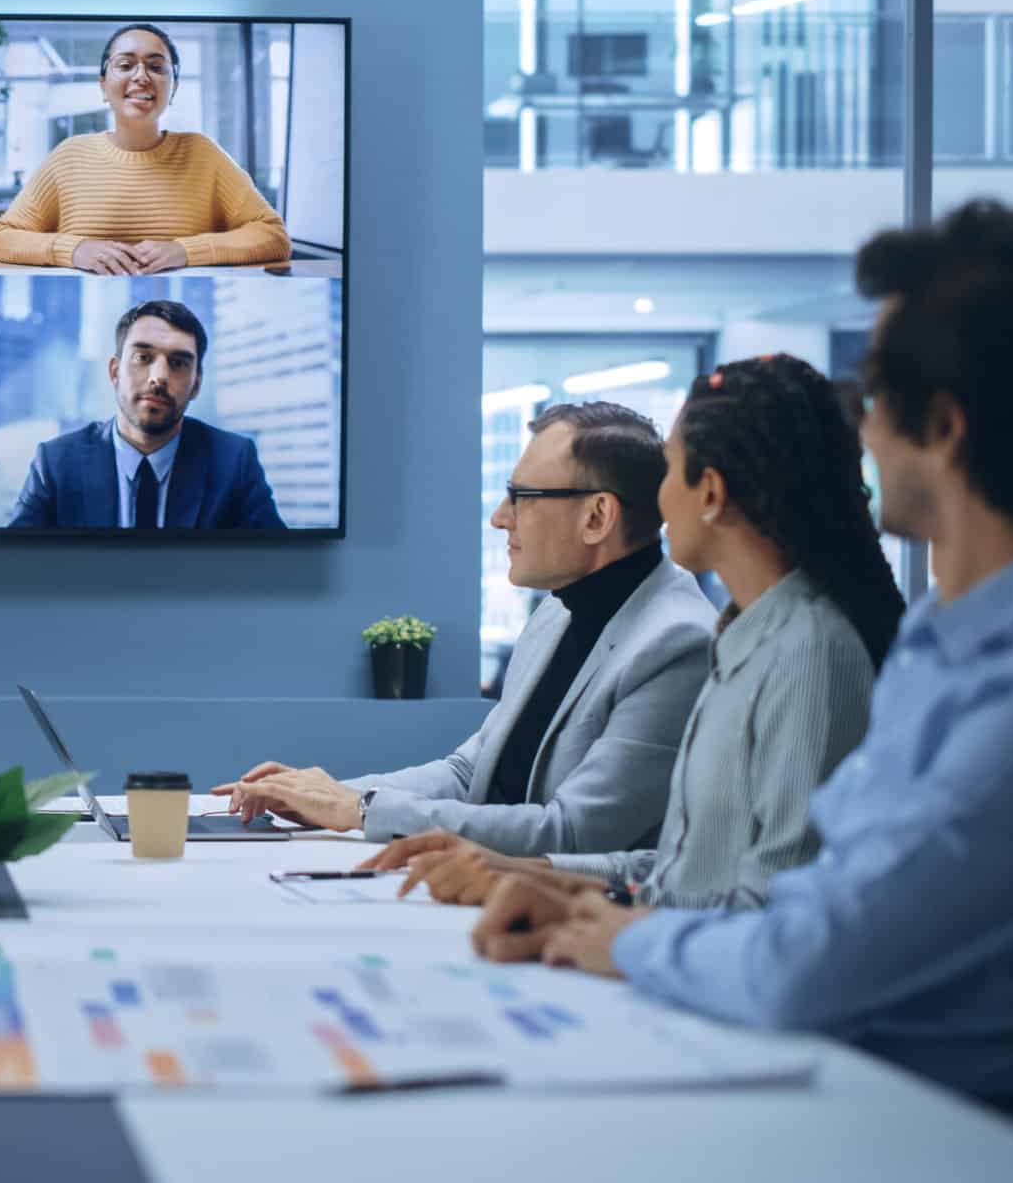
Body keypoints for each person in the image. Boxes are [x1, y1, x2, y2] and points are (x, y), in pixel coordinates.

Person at [469, 202, 1013, 1117]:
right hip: (815, 1086)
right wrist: (587, 904)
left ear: (942, 431)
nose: (858, 434)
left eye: (875, 400)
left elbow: (805, 961)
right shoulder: (953, 653)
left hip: (881, 1127)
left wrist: (620, 940)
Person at [365, 355, 903, 908]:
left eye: (669, 472)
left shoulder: (805, 654)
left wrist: (613, 933)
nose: (656, 501)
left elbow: (773, 907)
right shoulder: (744, 635)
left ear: (711, 493)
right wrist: (533, 874)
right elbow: (679, 869)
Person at [215, 403, 714, 854]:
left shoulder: (677, 643)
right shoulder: (556, 613)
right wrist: (335, 795)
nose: (500, 519)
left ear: (598, 515)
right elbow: (469, 772)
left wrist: (361, 810)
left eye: (521, 497)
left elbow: (573, 833)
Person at [0, 22, 290, 273]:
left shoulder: (203, 154)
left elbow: (273, 236)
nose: (141, 76)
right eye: (126, 65)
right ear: (103, 85)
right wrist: (73, 249)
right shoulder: (69, 156)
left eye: (156, 67)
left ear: (174, 88)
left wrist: (184, 251)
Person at [6, 299, 283, 529]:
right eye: (143, 358)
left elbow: (279, 564)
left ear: (196, 384)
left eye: (178, 363)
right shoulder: (56, 463)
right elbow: (13, 565)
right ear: (114, 372)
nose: (159, 377)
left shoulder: (234, 461)